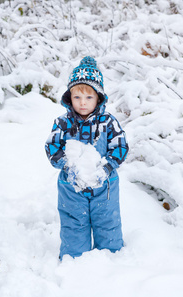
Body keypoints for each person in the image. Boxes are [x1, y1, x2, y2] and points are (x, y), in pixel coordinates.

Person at [45, 56, 129, 260]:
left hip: (104, 186)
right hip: (71, 186)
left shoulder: (108, 123)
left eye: (89, 98)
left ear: (98, 98)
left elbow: (120, 146)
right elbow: (52, 146)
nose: (83, 103)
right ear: (69, 97)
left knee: (107, 222)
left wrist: (107, 167)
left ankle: (112, 262)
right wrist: (67, 166)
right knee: (74, 224)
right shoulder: (63, 123)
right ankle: (74, 261)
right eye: (77, 98)